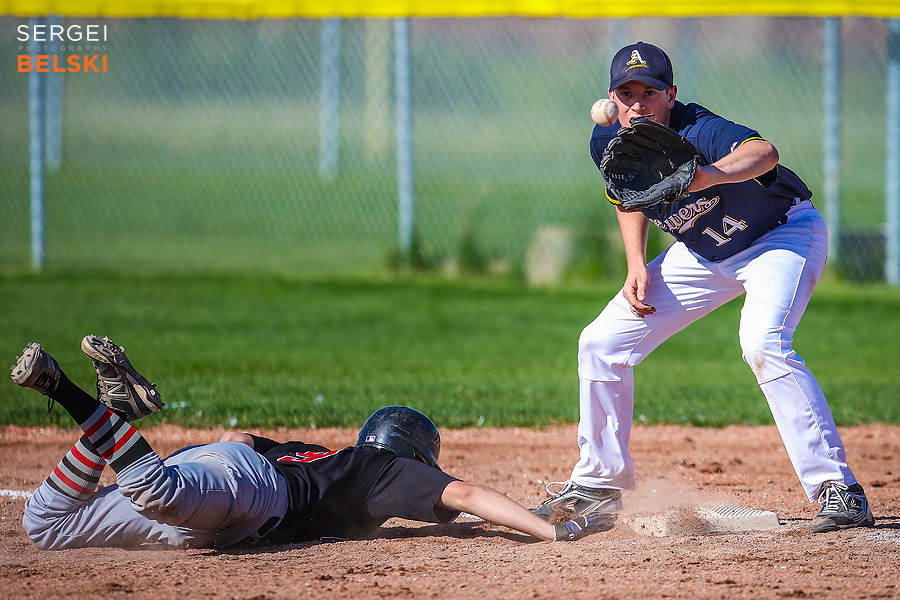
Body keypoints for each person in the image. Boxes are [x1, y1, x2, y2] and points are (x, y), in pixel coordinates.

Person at [531, 41, 874, 533]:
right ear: (612, 97)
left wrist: (703, 177)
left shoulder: (698, 128)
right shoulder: (607, 140)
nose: (637, 103)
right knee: (601, 342)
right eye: (625, 93)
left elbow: (764, 152)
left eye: (648, 91)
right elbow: (626, 196)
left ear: (670, 94)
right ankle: (598, 487)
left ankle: (837, 490)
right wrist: (635, 263)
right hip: (704, 252)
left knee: (763, 342)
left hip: (780, 234)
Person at [10, 336, 613, 550]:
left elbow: (235, 438)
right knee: (156, 490)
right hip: (250, 495)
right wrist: (547, 528)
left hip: (226, 488)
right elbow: (470, 493)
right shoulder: (380, 470)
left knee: (46, 526)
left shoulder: (322, 452)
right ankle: (63, 388)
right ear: (414, 452)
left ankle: (115, 415)